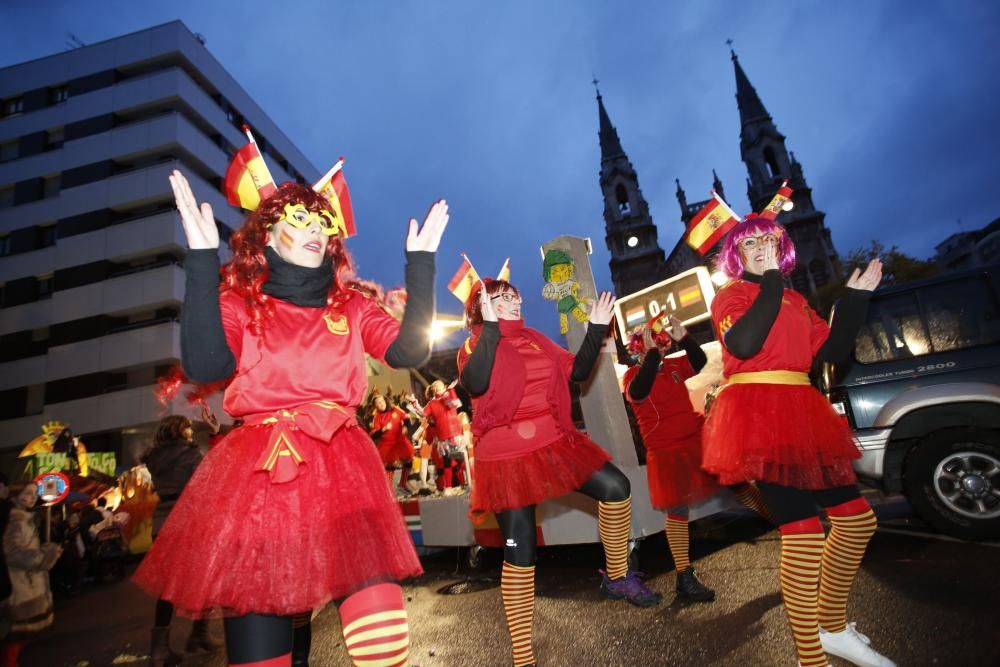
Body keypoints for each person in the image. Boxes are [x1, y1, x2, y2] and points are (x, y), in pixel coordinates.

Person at [133, 168, 448, 667]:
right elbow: (206, 365)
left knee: (383, 647)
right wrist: (198, 259)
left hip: (343, 471)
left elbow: (407, 350)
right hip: (258, 480)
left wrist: (421, 266)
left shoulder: (353, 306)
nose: (315, 229)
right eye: (298, 220)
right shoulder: (241, 303)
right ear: (267, 238)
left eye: (322, 221)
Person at [701, 215, 893, 667]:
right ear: (737, 255)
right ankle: (812, 655)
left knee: (856, 521)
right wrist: (768, 280)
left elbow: (831, 352)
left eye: (770, 238)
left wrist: (857, 300)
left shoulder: (795, 298)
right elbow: (745, 345)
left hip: (803, 411)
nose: (763, 245)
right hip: (756, 417)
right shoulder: (731, 295)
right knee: (803, 531)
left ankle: (831, 627)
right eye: (751, 242)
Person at [458, 279, 661, 667]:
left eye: (515, 295)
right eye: (501, 298)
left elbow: (578, 371)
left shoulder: (535, 338)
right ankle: (524, 658)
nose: (514, 301)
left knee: (616, 488)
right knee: (521, 553)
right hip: (506, 460)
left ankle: (616, 575)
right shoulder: (476, 342)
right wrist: (491, 327)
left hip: (554, 444)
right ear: (481, 307)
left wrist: (597, 328)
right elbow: (476, 382)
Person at [142, 414, 219, 665]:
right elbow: (208, 479)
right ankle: (198, 635)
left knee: (168, 587)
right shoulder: (188, 454)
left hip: (162, 522)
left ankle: (160, 649)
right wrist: (213, 434)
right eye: (187, 428)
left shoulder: (154, 458)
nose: (190, 432)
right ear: (180, 430)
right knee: (206, 578)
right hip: (187, 520)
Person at [2, 483, 61, 667]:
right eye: (27, 494)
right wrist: (43, 556)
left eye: (34, 493)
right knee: (14, 638)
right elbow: (12, 553)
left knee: (20, 638)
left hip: (29, 584)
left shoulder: (25, 518)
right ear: (15, 496)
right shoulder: (15, 520)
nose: (32, 497)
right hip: (20, 586)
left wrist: (47, 551)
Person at [423, 380, 468, 493]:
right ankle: (446, 488)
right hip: (443, 441)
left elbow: (453, 403)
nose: (437, 387)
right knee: (447, 464)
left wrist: (451, 391)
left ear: (444, 387)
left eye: (440, 386)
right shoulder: (431, 405)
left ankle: (466, 484)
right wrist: (414, 404)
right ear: (433, 390)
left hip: (454, 435)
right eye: (435, 386)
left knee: (460, 462)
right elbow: (423, 413)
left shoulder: (447, 398)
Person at [370, 394, 414, 494]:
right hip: (388, 444)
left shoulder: (395, 409)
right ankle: (388, 489)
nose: (381, 404)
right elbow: (373, 435)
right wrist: (383, 429)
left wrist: (405, 427)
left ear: (385, 401)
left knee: (408, 460)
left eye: (382, 401)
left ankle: (403, 483)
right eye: (378, 403)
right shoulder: (377, 418)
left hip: (401, 441)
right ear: (375, 406)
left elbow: (406, 417)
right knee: (390, 464)